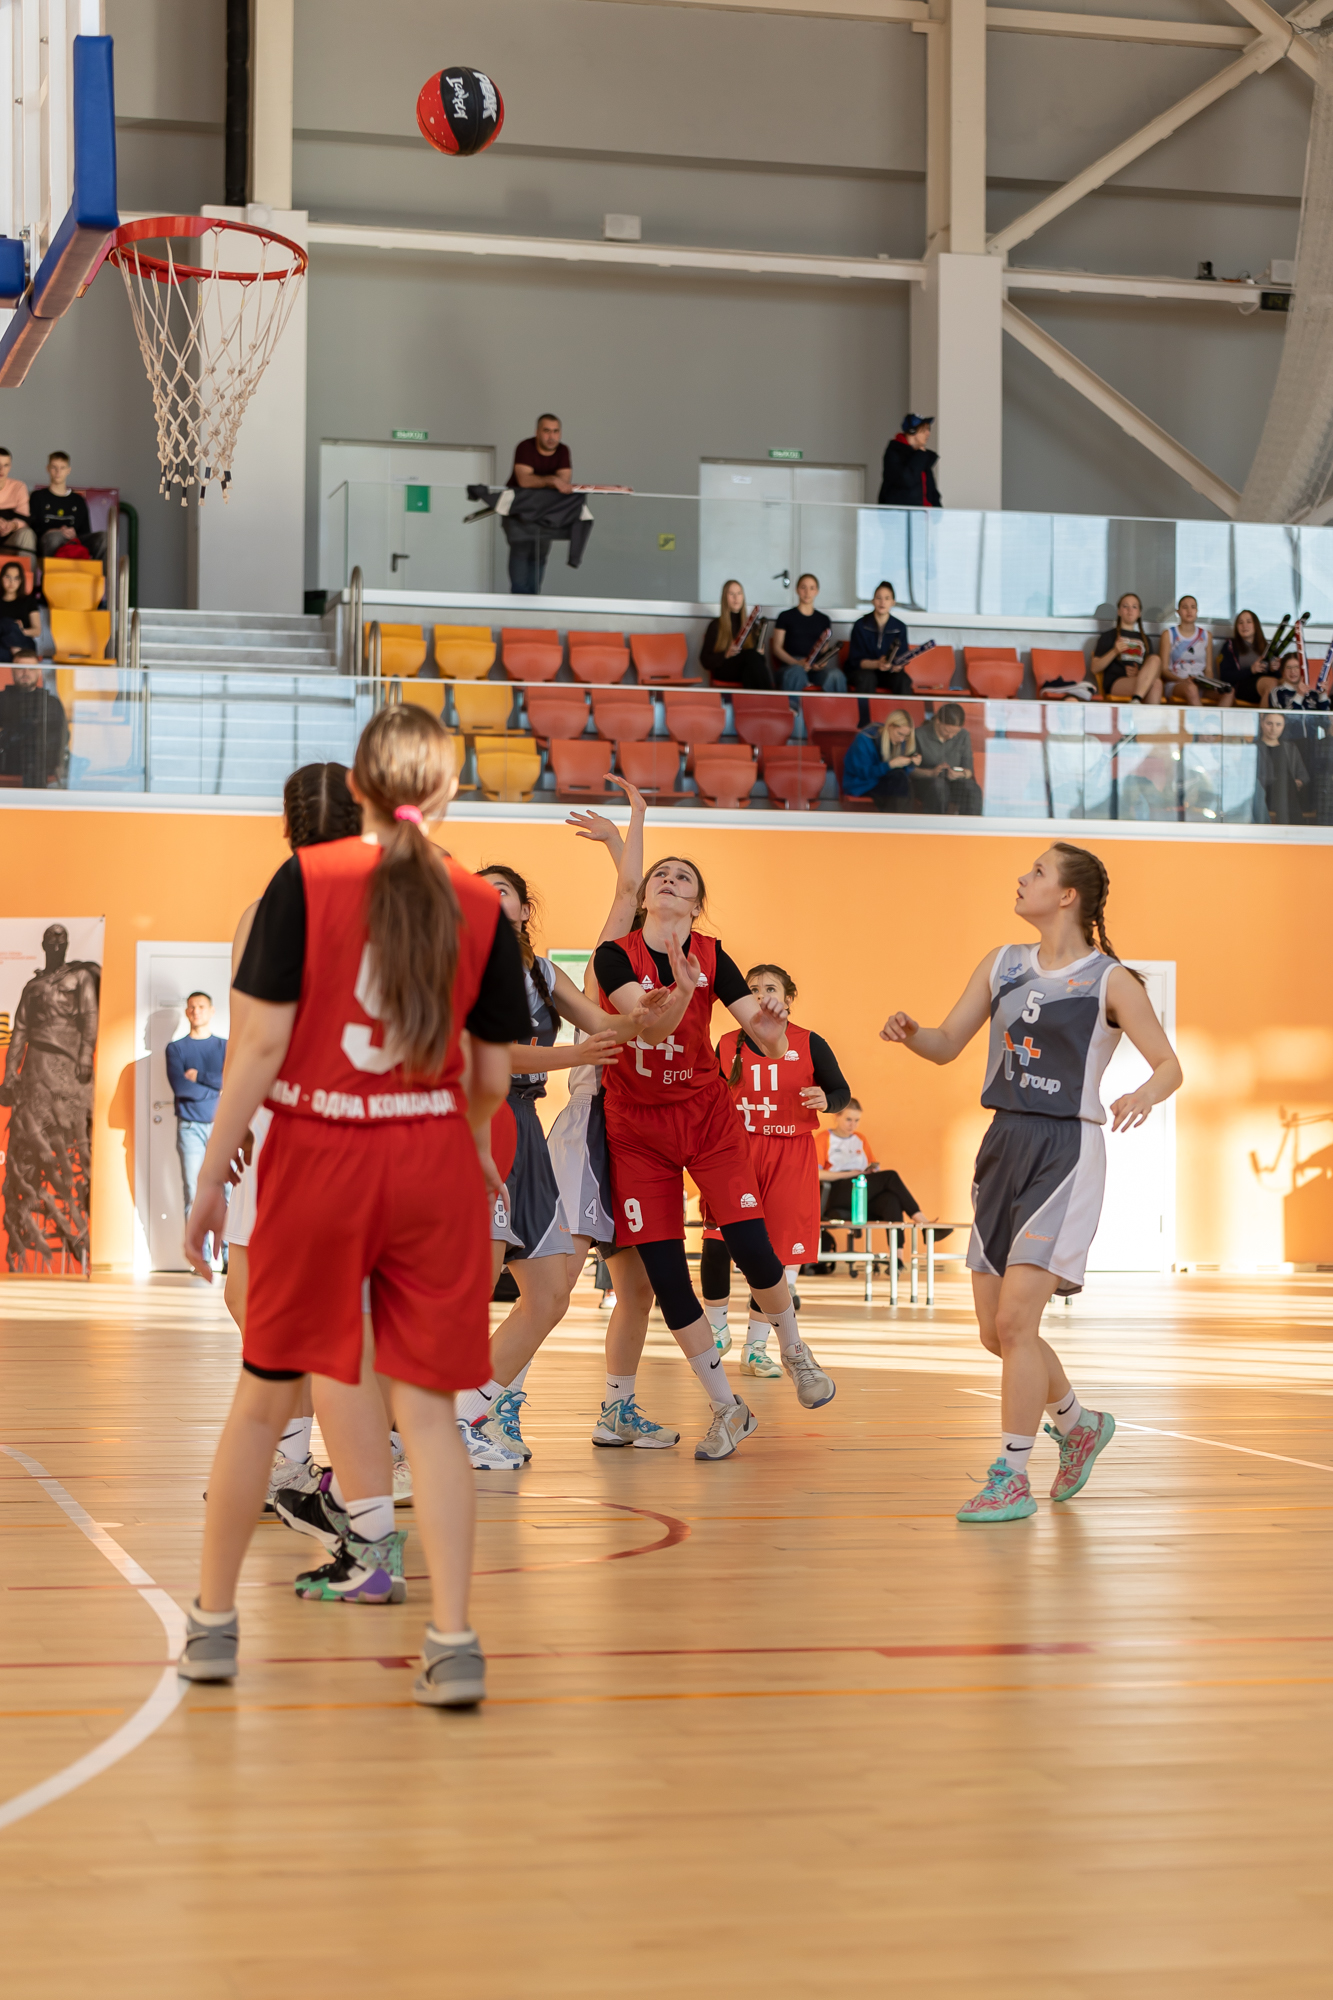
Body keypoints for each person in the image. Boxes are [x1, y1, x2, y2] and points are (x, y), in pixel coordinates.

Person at [178, 704, 531, 1707]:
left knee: (262, 1398)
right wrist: (471, 1143)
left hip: (321, 1156)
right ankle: (453, 1641)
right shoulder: (476, 899)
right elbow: (491, 1071)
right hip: (430, 1163)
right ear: (447, 790)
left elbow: (258, 1045)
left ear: (360, 789)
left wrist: (210, 1177)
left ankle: (212, 1627)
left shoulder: (306, 879)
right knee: (429, 1415)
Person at [881, 841, 1182, 1524]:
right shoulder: (1003, 964)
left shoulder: (1110, 981)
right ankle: (1078, 1425)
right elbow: (945, 1044)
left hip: (1064, 1151)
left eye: (1037, 872)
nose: (1022, 878)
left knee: (1018, 1321)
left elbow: (1169, 1065)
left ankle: (1010, 1477)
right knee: (996, 1333)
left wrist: (1142, 1093)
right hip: (1002, 1144)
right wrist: (912, 1033)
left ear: (1066, 895)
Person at [594, 856, 837, 1460]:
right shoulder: (614, 956)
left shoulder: (713, 955)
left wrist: (772, 1028)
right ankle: (728, 1408)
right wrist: (682, 988)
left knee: (751, 1244)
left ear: (696, 904)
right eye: (661, 874)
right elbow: (649, 1029)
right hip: (636, 1126)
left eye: (683, 877)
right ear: (646, 896)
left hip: (705, 1116)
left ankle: (794, 1351)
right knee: (667, 1274)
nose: (669, 880)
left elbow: (768, 1040)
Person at [454, 855, 675, 1468]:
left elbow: (604, 1024)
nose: (489, 897)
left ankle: (466, 1413)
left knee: (551, 1295)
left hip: (524, 1125)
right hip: (477, 1117)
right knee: (469, 1296)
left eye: (502, 890)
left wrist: (644, 1015)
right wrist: (578, 1056)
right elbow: (489, 1055)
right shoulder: (457, 966)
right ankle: (410, 1432)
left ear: (524, 909)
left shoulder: (543, 972)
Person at [223, 763, 364, 1517]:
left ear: (287, 821)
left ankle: (292, 1465)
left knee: (287, 1307)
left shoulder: (281, 903)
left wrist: (231, 1129)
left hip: (297, 1113)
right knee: (260, 1297)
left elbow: (252, 1035)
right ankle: (303, 1467)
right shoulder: (392, 904)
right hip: (346, 1116)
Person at [550, 782, 672, 1447]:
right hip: (591, 1124)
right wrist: (628, 830)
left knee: (638, 1289)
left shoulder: (673, 977)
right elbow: (629, 894)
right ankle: (490, 1410)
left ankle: (616, 1411)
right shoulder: (606, 968)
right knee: (554, 1287)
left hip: (637, 1135)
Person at [701, 963, 849, 1375]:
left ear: (787, 998)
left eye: (770, 988)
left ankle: (756, 1346)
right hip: (737, 1151)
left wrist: (827, 1100)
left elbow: (841, 1091)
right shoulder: (726, 1043)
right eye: (753, 988)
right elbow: (708, 1096)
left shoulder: (809, 1042)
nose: (762, 994)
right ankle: (715, 1327)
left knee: (775, 1252)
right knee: (717, 1238)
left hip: (790, 1153)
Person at [815, 1099, 943, 1241]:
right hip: (838, 1191)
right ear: (837, 1116)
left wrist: (872, 1171)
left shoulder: (860, 1139)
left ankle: (897, 1254)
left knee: (891, 1200)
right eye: (848, 1119)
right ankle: (922, 1222)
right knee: (891, 1176)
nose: (853, 1125)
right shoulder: (824, 1138)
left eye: (857, 1120)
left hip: (862, 1188)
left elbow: (872, 1165)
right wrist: (851, 1173)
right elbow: (817, 1174)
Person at [165, 992, 227, 1263]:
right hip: (189, 1128)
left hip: (222, 1127)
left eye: (201, 1006)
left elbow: (230, 1079)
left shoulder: (224, 1046)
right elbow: (181, 1087)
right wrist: (215, 1090)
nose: (196, 1011)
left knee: (227, 1191)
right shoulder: (176, 1049)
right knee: (193, 1191)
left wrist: (199, 1076)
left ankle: (228, 1256)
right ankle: (199, 1257)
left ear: (211, 1011)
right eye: (191, 1007)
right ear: (186, 1012)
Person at [505, 414, 571, 595]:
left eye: (556, 431)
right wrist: (551, 480)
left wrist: (547, 481)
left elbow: (564, 481)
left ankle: (533, 599)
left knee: (540, 555)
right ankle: (519, 600)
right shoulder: (525, 447)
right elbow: (525, 481)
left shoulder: (563, 450)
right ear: (537, 432)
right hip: (519, 511)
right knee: (520, 551)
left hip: (545, 512)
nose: (551, 436)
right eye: (547, 431)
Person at [771, 573, 847, 694]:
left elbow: (824, 651)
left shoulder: (824, 620)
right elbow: (776, 648)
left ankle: (839, 707)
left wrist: (821, 663)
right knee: (797, 672)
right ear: (797, 589)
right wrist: (797, 663)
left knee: (836, 675)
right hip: (791, 667)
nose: (807, 592)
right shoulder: (785, 616)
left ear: (817, 591)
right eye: (803, 587)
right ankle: (793, 706)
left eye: (812, 588)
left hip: (814, 668)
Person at [0, 660, 66, 787]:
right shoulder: (2, 700)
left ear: (39, 671)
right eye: (20, 668)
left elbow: (62, 736)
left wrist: (57, 762)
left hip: (41, 767)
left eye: (31, 668)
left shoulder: (50, 702)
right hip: (6, 765)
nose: (26, 673)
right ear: (12, 670)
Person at [841, 708, 921, 810]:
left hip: (884, 782)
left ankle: (898, 817)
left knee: (904, 781)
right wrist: (890, 765)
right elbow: (864, 773)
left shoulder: (899, 741)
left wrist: (910, 763)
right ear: (890, 727)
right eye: (900, 734)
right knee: (899, 782)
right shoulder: (864, 739)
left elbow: (901, 772)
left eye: (906, 736)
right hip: (863, 785)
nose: (902, 740)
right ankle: (900, 818)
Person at [29, 452, 105, 561]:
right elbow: (32, 527)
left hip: (74, 541)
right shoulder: (37, 497)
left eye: (62, 468)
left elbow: (86, 532)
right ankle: (52, 572)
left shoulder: (78, 500)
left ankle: (99, 572)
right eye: (54, 467)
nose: (58, 472)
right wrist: (55, 531)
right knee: (55, 537)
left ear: (68, 470)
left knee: (104, 538)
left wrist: (74, 534)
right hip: (47, 541)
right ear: (48, 468)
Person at [700, 579, 772, 690]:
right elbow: (704, 660)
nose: (736, 598)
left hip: (746, 670)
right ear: (725, 597)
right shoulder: (715, 625)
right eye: (731, 594)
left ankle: (757, 700)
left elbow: (759, 662)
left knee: (751, 667)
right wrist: (726, 654)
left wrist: (760, 653)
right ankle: (769, 697)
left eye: (739, 593)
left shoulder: (752, 625)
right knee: (752, 660)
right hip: (725, 670)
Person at [1090, 593, 1161, 703]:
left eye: (1134, 607)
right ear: (1119, 611)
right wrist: (1115, 651)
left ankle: (1137, 703)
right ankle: (1136, 701)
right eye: (1125, 606)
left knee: (1156, 675)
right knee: (1154, 684)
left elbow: (1154, 670)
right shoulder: (1109, 636)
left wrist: (1140, 672)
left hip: (1139, 680)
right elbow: (1094, 668)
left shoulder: (1145, 639)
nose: (1130, 610)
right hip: (1117, 682)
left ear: (1139, 613)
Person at [914, 702, 980, 814]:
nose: (950, 736)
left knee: (972, 790)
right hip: (927, 782)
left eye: (955, 733)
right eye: (947, 731)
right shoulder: (919, 735)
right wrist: (931, 773)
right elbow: (910, 770)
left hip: (954, 782)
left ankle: (971, 824)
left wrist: (960, 774)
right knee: (939, 788)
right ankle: (936, 824)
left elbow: (969, 771)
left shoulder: (963, 735)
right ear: (938, 721)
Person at [846, 581, 911, 695]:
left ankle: (902, 708)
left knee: (903, 679)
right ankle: (864, 708)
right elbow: (855, 661)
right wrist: (877, 664)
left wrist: (896, 665)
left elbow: (902, 657)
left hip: (888, 673)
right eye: (878, 598)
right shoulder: (861, 625)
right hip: (864, 671)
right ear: (873, 601)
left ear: (893, 602)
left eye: (887, 598)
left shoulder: (899, 627)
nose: (882, 602)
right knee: (867, 678)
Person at [1254, 710, 1308, 824]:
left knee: (1286, 785)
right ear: (1262, 723)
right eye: (1269, 724)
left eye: (1278, 724)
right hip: (1265, 794)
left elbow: (1303, 775)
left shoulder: (1290, 748)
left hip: (1289, 794)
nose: (1273, 729)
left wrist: (1298, 782)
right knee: (1282, 784)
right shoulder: (1255, 748)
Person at [1158, 595, 1212, 707]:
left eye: (1193, 607)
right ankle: (1202, 718)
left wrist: (1208, 683)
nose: (1189, 611)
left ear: (1197, 611)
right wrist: (1183, 680)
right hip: (1177, 683)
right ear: (1178, 612)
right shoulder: (1168, 634)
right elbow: (1164, 670)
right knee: (1191, 688)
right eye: (1185, 607)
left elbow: (1209, 670)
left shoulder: (1207, 635)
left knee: (1229, 692)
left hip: (1200, 683)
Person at [877, 415, 941, 509]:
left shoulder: (923, 456)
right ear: (912, 431)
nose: (928, 434)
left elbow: (931, 490)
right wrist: (920, 454)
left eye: (928, 430)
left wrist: (937, 511)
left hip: (925, 515)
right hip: (900, 514)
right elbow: (907, 480)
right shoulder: (895, 453)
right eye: (924, 430)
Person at [1216, 609, 1273, 709]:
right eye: (1240, 623)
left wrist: (1274, 669)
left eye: (1249, 622)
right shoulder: (1230, 647)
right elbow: (1225, 676)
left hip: (1264, 688)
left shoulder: (1267, 647)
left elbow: (1277, 676)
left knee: (1279, 683)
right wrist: (1251, 670)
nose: (1244, 626)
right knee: (1271, 684)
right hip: (1241, 688)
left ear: (1256, 625)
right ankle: (1264, 718)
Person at [0, 560, 41, 654]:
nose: (11, 582)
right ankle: (17, 654)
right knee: (6, 623)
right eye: (8, 577)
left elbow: (37, 630)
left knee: (10, 625)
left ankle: (17, 652)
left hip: (24, 643)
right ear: (1, 578)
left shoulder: (29, 601)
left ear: (21, 580)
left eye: (16, 578)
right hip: (2, 645)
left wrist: (18, 630)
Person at [0, 450, 34, 555]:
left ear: (10, 467)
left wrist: (12, 525)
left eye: (6, 465)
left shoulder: (19, 487)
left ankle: (28, 566)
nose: (1, 469)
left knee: (27, 534)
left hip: (9, 539)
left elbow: (24, 517)